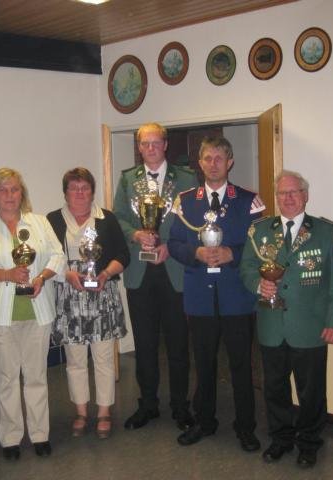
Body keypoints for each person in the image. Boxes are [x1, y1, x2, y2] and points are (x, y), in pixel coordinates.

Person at [240, 170, 333, 469]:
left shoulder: (326, 232)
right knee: (274, 388)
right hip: (271, 325)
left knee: (311, 390)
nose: (287, 198)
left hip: (310, 326)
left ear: (305, 195)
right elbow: (247, 267)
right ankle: (281, 438)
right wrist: (258, 284)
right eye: (282, 193)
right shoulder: (259, 230)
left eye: (294, 192)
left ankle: (310, 442)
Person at [168, 136, 265, 451]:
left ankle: (246, 427)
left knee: (240, 365)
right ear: (199, 162)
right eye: (207, 158)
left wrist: (231, 254)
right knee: (204, 364)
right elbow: (173, 243)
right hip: (199, 298)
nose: (213, 164)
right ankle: (204, 421)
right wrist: (195, 252)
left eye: (219, 158)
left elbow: (259, 248)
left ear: (230, 161)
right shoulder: (184, 201)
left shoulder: (249, 200)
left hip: (237, 297)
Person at [0, 168, 65, 461]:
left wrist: (42, 277)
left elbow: (57, 256)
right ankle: (10, 438)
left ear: (22, 193)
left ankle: (39, 435)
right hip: (0, 316)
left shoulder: (39, 222)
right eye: (3, 190)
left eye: (15, 189)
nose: (10, 195)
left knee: (36, 376)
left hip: (37, 310)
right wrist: (8, 273)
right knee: (7, 377)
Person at [113, 122, 198, 430]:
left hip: (174, 270)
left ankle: (180, 406)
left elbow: (193, 222)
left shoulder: (187, 178)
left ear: (165, 145)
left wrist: (169, 247)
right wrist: (136, 234)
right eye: (144, 143)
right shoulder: (127, 180)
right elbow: (118, 217)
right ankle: (147, 404)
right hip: (140, 273)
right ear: (139, 147)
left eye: (155, 142)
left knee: (178, 343)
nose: (150, 148)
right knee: (145, 344)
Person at [47, 168, 130, 439]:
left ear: (92, 191)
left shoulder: (106, 219)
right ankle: (81, 411)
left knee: (104, 358)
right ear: (65, 192)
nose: (80, 193)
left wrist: (106, 273)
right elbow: (48, 257)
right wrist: (66, 274)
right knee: (75, 360)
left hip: (101, 296)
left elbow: (123, 255)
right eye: (74, 188)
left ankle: (104, 411)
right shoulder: (52, 220)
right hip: (69, 297)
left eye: (85, 188)